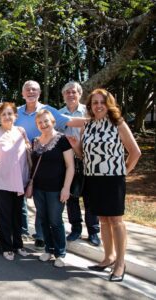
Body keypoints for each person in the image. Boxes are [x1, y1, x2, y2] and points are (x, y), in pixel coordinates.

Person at [68, 89, 141, 282]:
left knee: (116, 221)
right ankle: (108, 257)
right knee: (103, 220)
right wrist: (76, 147)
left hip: (113, 179)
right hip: (93, 179)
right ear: (90, 106)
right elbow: (84, 156)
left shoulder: (118, 124)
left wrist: (124, 171)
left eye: (102, 102)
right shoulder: (88, 125)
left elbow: (135, 152)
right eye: (94, 103)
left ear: (109, 104)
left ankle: (120, 263)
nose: (98, 105)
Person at [15, 80, 85, 249]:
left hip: (44, 162)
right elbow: (0, 115)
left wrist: (101, 118)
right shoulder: (16, 112)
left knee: (44, 204)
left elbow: (70, 121)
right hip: (19, 161)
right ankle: (23, 230)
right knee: (21, 197)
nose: (31, 92)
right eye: (27, 90)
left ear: (39, 93)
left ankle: (41, 236)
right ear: (22, 94)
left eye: (34, 89)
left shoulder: (48, 111)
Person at [0, 102, 30, 260]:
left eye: (10, 114)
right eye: (4, 114)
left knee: (18, 215)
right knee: (4, 215)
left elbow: (27, 150)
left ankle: (18, 244)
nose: (7, 117)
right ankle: (6, 247)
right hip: (1, 181)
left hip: (19, 180)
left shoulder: (21, 131)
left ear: (16, 116)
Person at [58, 82, 100, 246]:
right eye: (67, 92)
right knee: (72, 197)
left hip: (88, 159)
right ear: (63, 95)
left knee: (90, 197)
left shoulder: (88, 112)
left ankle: (93, 231)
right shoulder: (59, 115)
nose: (70, 94)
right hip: (68, 161)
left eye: (73, 92)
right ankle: (76, 229)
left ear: (79, 94)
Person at [32, 110, 74, 268]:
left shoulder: (62, 140)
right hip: (38, 189)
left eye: (46, 121)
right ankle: (48, 249)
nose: (43, 125)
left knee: (55, 221)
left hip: (56, 189)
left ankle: (60, 253)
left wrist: (66, 188)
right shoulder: (35, 141)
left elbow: (70, 166)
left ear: (53, 122)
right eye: (40, 123)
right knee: (43, 219)